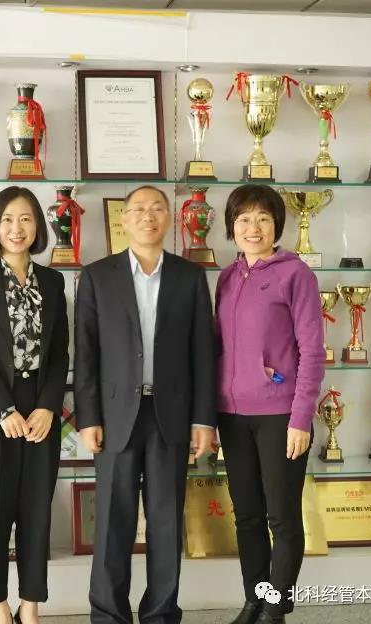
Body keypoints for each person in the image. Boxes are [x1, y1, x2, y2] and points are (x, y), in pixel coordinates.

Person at [74, 185, 217, 624]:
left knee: (165, 521)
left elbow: (203, 353)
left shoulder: (190, 277)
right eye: (138, 209)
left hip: (170, 415)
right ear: (124, 219)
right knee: (112, 523)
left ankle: (160, 613)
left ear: (169, 218)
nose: (147, 216)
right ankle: (108, 615)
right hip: (115, 416)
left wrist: (203, 419)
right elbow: (86, 353)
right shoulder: (97, 276)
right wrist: (88, 417)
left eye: (157, 208)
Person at [0, 186, 69, 624]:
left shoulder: (53, 281)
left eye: (25, 219)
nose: (16, 228)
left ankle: (31, 606)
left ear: (37, 225)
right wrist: (2, 409)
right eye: (7, 219)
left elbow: (59, 353)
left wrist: (48, 406)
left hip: (40, 408)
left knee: (37, 509)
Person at [215, 185, 325, 624]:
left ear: (277, 223)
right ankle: (254, 600)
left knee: (281, 517)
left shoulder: (296, 275)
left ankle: (275, 610)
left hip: (280, 415)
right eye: (243, 219)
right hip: (232, 416)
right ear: (232, 226)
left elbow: (312, 351)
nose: (253, 227)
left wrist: (301, 418)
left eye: (263, 218)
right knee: (247, 516)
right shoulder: (227, 278)